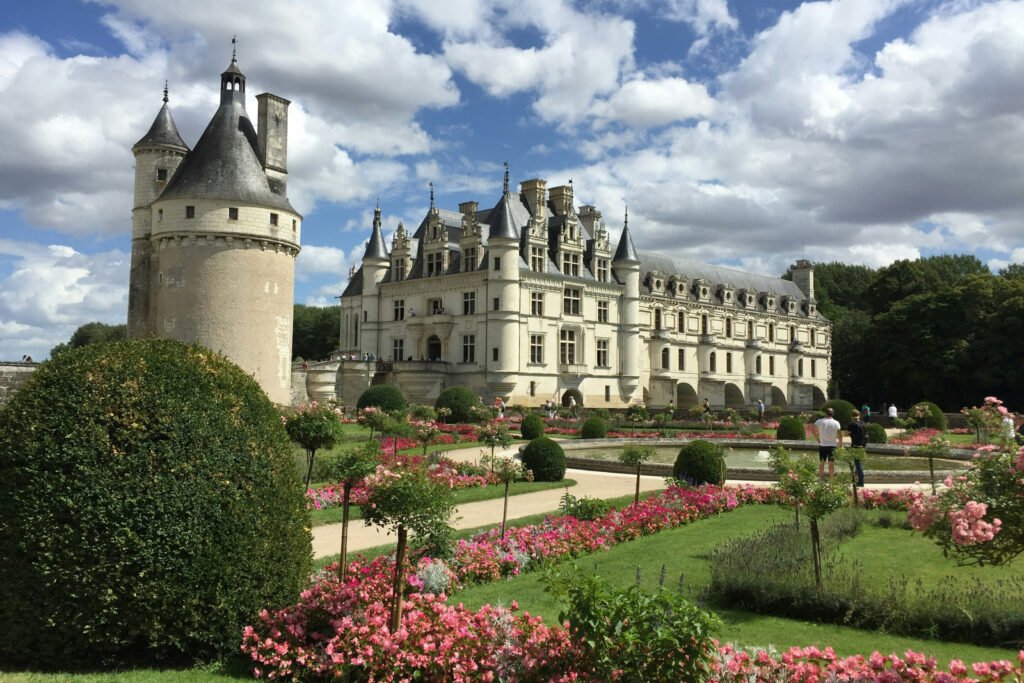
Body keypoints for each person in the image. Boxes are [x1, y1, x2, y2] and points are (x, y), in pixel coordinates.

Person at [813, 407, 843, 480]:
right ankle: (832, 480)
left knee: (821, 463)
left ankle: (821, 479)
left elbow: (813, 430)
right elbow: (839, 435)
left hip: (822, 445)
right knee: (831, 464)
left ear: (825, 413)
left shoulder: (819, 421)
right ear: (833, 414)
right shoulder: (836, 422)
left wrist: (817, 439)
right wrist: (840, 444)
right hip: (832, 446)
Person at [846, 409, 868, 487]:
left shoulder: (851, 424)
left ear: (852, 416)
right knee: (858, 463)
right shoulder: (863, 424)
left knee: (857, 463)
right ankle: (856, 479)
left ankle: (861, 482)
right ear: (859, 415)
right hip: (862, 446)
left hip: (855, 446)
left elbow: (846, 434)